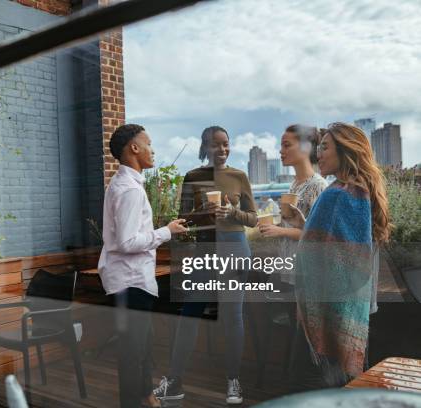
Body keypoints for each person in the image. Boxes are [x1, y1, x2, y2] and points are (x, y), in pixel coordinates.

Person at [153, 126, 257, 405]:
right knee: (189, 314)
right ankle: (174, 380)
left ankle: (233, 380)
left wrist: (231, 212)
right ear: (205, 148)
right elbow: (182, 220)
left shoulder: (239, 176)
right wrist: (203, 213)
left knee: (232, 316)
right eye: (216, 145)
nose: (222, 150)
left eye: (226, 144)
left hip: (235, 249)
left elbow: (253, 219)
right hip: (204, 252)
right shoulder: (193, 177)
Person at [283, 122, 391, 387]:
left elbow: (347, 261)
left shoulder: (340, 193)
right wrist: (306, 225)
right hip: (345, 316)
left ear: (345, 151)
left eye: (326, 147)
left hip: (326, 317)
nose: (319, 153)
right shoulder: (356, 190)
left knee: (306, 387)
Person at [98, 124, 188, 408]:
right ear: (134, 148)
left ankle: (147, 398)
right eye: (148, 143)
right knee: (133, 353)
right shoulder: (130, 190)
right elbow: (126, 241)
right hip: (131, 281)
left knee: (140, 347)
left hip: (131, 280)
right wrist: (167, 231)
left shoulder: (125, 184)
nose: (153, 150)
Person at [258, 125, 328, 288]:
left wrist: (279, 231)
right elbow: (292, 222)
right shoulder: (294, 185)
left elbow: (318, 235)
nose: (281, 151)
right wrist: (273, 224)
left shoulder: (318, 186)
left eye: (287, 145)